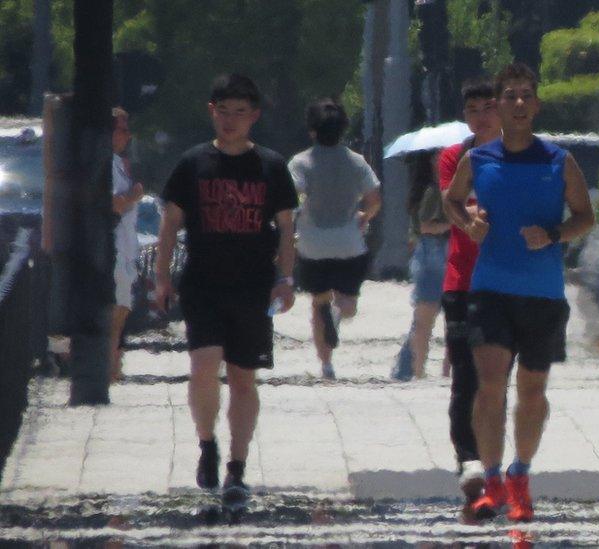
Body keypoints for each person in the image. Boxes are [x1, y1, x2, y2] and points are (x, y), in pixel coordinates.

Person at [444, 63, 595, 522]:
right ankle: (491, 480)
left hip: (543, 294)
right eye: (510, 96)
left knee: (532, 391)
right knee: (490, 386)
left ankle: (520, 474)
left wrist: (552, 234)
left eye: (526, 95)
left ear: (537, 104)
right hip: (490, 289)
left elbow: (585, 217)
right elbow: (450, 200)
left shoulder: (558, 160)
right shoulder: (479, 159)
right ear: (499, 105)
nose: (519, 103)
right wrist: (469, 224)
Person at [154, 74, 299, 506]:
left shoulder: (272, 166)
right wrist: (162, 277)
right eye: (223, 111)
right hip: (202, 284)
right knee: (203, 368)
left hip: (253, 287)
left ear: (254, 116)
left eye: (240, 112)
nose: (231, 120)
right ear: (211, 111)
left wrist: (286, 279)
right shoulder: (192, 163)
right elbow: (169, 224)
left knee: (242, 378)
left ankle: (237, 466)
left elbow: (287, 228)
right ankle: (206, 444)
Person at [438, 78, 502, 514]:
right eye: (473, 108)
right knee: (465, 375)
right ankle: (468, 458)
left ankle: (493, 458)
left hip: (506, 281)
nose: (480, 115)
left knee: (496, 379)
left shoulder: (517, 156)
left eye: (488, 106)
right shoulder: (453, 157)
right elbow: (452, 203)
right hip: (462, 280)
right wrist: (474, 215)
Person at [287, 98, 382, 380]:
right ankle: (339, 314)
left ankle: (326, 365)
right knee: (349, 304)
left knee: (318, 303)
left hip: (311, 243)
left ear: (312, 130)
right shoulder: (356, 161)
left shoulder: (300, 162)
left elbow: (295, 195)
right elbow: (374, 198)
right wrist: (365, 215)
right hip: (348, 242)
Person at [391, 151, 451, 381]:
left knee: (429, 319)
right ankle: (419, 371)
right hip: (435, 252)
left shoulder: (437, 189)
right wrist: (453, 223)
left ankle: (419, 371)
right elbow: (427, 227)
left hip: (432, 254)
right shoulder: (433, 191)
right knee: (428, 319)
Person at [108, 107, 144, 383]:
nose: (127, 135)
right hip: (114, 250)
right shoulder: (106, 164)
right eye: (122, 129)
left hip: (125, 249)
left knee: (122, 309)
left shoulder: (119, 163)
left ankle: (114, 363)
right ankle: (109, 366)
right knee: (115, 311)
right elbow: (112, 205)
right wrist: (134, 195)